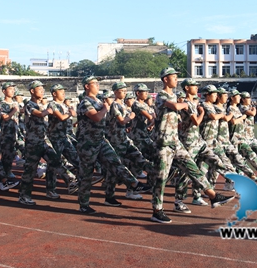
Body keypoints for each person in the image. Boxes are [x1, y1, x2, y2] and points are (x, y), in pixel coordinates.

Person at [150, 67, 233, 224]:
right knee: (161, 177)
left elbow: (177, 117)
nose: (176, 79)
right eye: (174, 77)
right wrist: (186, 105)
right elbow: (175, 107)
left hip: (175, 141)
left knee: (192, 168)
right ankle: (157, 210)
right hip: (163, 143)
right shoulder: (161, 95)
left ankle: (213, 196)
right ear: (165, 79)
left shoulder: (175, 96)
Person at [76, 76, 151, 214]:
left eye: (98, 83)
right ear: (87, 86)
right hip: (87, 143)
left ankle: (134, 184)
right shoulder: (85, 102)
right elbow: (97, 117)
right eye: (95, 83)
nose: (98, 85)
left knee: (115, 162)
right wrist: (105, 108)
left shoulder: (97, 101)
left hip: (101, 139)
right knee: (86, 175)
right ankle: (84, 204)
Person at [18, 81, 78, 205]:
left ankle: (71, 181)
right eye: (39, 89)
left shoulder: (43, 105)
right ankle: (24, 196)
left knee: (55, 160)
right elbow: (39, 114)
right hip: (33, 143)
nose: (42, 91)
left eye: (42, 89)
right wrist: (48, 112)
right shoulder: (30, 104)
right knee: (30, 170)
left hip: (44, 140)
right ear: (32, 91)